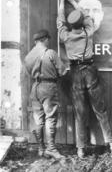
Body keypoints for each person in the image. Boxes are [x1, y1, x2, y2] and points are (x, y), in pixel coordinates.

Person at [57, 0, 112, 160]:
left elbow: (60, 20)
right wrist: (73, 1)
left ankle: (80, 150)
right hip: (90, 70)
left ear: (71, 25)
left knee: (79, 113)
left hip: (75, 73)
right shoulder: (88, 32)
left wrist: (63, 1)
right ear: (83, 22)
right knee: (101, 111)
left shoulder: (66, 36)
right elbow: (86, 16)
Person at [24, 29, 65, 159]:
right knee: (50, 118)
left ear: (36, 42)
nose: (49, 41)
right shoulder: (51, 53)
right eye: (48, 39)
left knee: (38, 120)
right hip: (48, 87)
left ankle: (41, 148)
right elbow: (62, 71)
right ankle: (51, 149)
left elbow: (27, 73)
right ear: (45, 39)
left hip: (35, 88)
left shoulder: (28, 56)